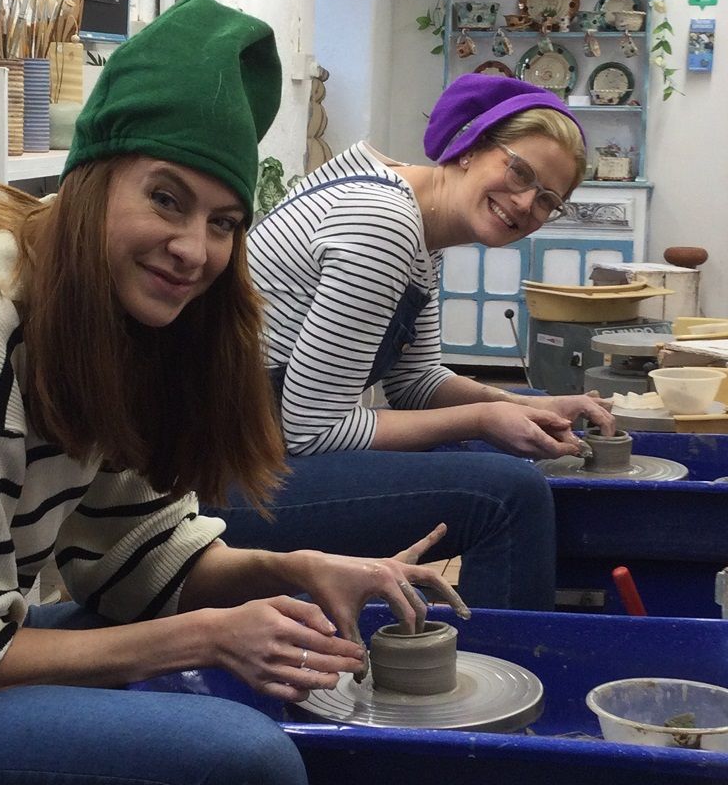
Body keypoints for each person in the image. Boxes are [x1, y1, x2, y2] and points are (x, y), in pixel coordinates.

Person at [0, 0, 467, 785]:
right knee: (245, 757)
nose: (194, 249)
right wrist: (210, 637)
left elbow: (137, 558)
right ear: (92, 178)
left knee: (272, 661)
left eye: (224, 222)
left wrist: (297, 566)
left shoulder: (117, 317)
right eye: (166, 198)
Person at [206, 75, 616, 613]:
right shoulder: (385, 221)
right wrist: (481, 420)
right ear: (471, 147)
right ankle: (505, 676)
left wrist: (527, 405)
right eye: (519, 172)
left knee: (484, 454)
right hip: (210, 484)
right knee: (508, 496)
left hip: (257, 453)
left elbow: (416, 382)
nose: (524, 204)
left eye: (546, 200)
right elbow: (313, 430)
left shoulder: (420, 224)